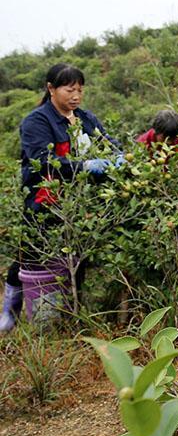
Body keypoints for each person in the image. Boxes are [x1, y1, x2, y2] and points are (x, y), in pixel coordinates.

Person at [0, 63, 120, 332]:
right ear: (51, 89)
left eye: (80, 89)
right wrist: (85, 166)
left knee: (76, 258)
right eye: (69, 89)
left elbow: (109, 144)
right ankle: (10, 311)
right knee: (31, 253)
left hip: (81, 204)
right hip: (44, 201)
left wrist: (118, 157)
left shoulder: (86, 118)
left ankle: (69, 311)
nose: (75, 95)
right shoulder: (37, 122)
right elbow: (42, 160)